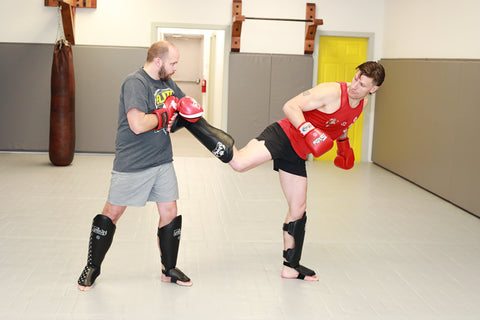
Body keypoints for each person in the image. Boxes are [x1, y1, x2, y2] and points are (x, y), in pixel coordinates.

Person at [227, 61, 385, 281]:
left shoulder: (363, 104)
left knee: (298, 208)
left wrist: (343, 145)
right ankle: (201, 125)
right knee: (239, 163)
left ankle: (290, 266)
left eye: (362, 84)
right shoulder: (330, 91)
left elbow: (342, 123)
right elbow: (290, 106)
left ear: (373, 89)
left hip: (298, 152)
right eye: (356, 77)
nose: (355, 85)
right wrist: (307, 130)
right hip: (283, 136)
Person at [77, 40, 201, 290]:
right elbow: (137, 124)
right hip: (133, 162)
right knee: (112, 213)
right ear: (158, 62)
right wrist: (165, 115)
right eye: (173, 63)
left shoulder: (167, 82)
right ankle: (92, 267)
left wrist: (184, 112)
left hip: (162, 160)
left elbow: (182, 104)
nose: (176, 68)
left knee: (170, 213)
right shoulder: (136, 82)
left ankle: (169, 269)